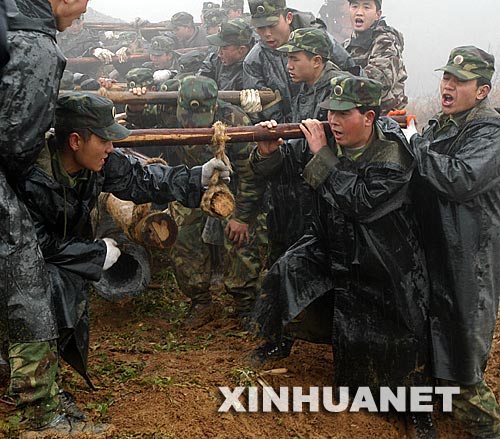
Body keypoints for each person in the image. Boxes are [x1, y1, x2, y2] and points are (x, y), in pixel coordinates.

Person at [16, 91, 230, 437]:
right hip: (16, 264)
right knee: (36, 299)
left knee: (61, 290)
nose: (111, 148)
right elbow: (30, 246)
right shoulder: (27, 175)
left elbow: (142, 179)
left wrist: (196, 178)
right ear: (75, 141)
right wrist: (95, 253)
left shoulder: (96, 163)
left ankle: (46, 391)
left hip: (49, 259)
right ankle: (41, 419)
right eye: (104, 140)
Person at [249, 74, 435, 438]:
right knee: (288, 272)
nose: (332, 121)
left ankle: (417, 409)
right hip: (332, 242)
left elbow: (360, 202)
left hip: (385, 257)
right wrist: (268, 151)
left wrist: (321, 154)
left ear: (368, 117)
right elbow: (282, 170)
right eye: (330, 112)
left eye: (343, 114)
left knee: (399, 334)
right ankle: (279, 341)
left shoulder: (393, 154)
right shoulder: (326, 139)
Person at [0, 0, 91, 435]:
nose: (84, 12)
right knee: (24, 278)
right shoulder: (34, 42)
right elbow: (16, 141)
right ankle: (40, 414)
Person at [409, 46, 500, 439]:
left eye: (459, 81)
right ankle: (425, 409)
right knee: (430, 335)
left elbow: (460, 179)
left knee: (462, 355)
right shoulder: (443, 125)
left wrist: (415, 144)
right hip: (439, 250)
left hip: (470, 259)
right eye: (446, 77)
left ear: (481, 91)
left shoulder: (490, 133)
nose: (447, 86)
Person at [169, 75, 267, 328]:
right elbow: (140, 119)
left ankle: (245, 304)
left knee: (239, 236)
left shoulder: (235, 121)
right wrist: (136, 104)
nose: (191, 124)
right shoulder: (168, 108)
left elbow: (251, 176)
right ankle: (200, 301)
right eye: (186, 117)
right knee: (181, 234)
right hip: (192, 183)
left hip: (231, 188)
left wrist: (242, 217)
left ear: (214, 107)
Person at [249, 27, 345, 265]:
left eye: (294, 59)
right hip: (299, 201)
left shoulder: (339, 91)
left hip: (325, 204)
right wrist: (268, 152)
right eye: (287, 59)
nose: (288, 66)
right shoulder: (306, 88)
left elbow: (341, 159)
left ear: (317, 61)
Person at [243, 0, 355, 123]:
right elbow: (264, 110)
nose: (267, 34)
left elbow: (353, 77)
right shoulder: (254, 61)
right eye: (260, 27)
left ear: (288, 18)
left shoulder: (319, 40)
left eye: (272, 25)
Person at [343, 0, 407, 114]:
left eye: (366, 7)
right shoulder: (345, 46)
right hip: (352, 117)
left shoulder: (386, 42)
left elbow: (378, 84)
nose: (359, 12)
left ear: (378, 14)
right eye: (355, 6)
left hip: (385, 118)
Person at [198, 18, 254, 90]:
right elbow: (201, 79)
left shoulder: (254, 70)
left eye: (224, 48)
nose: (219, 53)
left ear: (241, 50)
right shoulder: (215, 59)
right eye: (219, 46)